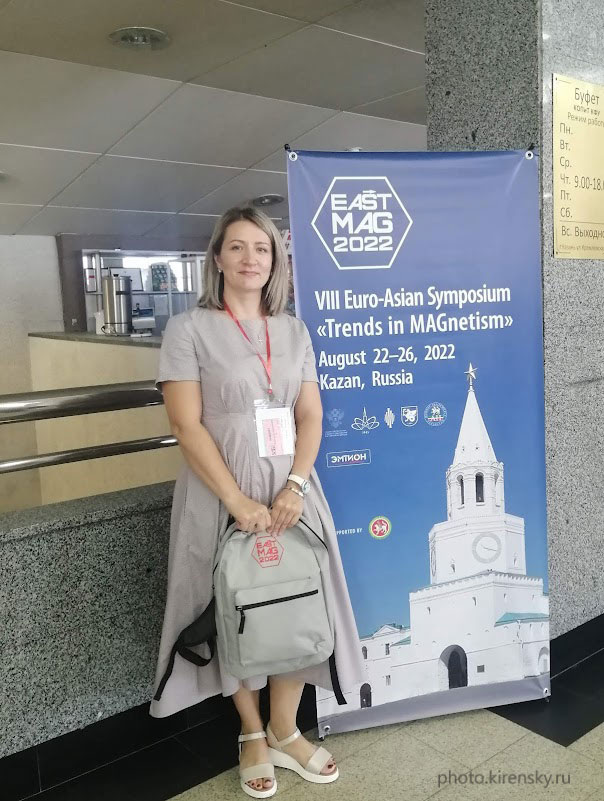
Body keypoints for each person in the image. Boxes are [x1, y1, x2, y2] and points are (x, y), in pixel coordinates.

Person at [149, 206, 364, 797]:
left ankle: (285, 729)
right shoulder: (189, 329)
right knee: (231, 603)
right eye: (238, 247)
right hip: (220, 492)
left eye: (263, 249)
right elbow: (186, 424)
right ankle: (250, 731)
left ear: (276, 262)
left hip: (292, 491)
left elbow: (310, 414)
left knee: (297, 600)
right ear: (217, 258)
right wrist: (237, 500)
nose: (251, 259)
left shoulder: (294, 330)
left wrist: (295, 485)